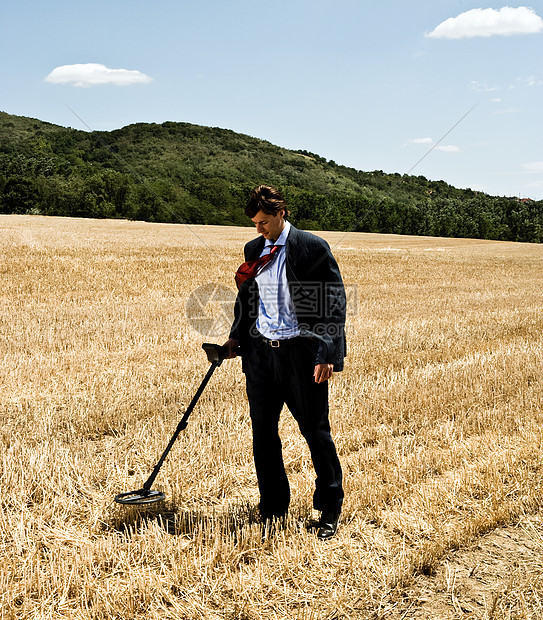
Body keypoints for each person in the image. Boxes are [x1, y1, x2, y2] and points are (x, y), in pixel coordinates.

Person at [223, 185, 346, 539]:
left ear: (281, 214)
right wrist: (236, 337)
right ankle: (273, 507)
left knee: (315, 431)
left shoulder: (310, 247)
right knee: (263, 434)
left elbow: (333, 303)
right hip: (261, 355)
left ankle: (329, 506)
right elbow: (247, 300)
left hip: (300, 354)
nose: (259, 229)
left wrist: (328, 353)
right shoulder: (254, 249)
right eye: (254, 223)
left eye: (264, 222)